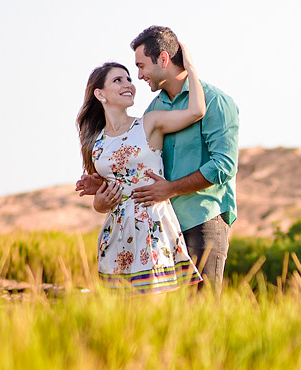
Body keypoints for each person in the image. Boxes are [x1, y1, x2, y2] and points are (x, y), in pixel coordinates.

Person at [77, 27, 240, 293]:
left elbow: (223, 166)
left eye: (140, 67)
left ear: (163, 59)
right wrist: (106, 186)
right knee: (166, 314)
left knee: (203, 308)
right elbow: (142, 166)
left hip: (203, 219)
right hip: (161, 226)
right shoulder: (154, 110)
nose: (138, 77)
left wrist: (170, 189)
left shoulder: (216, 101)